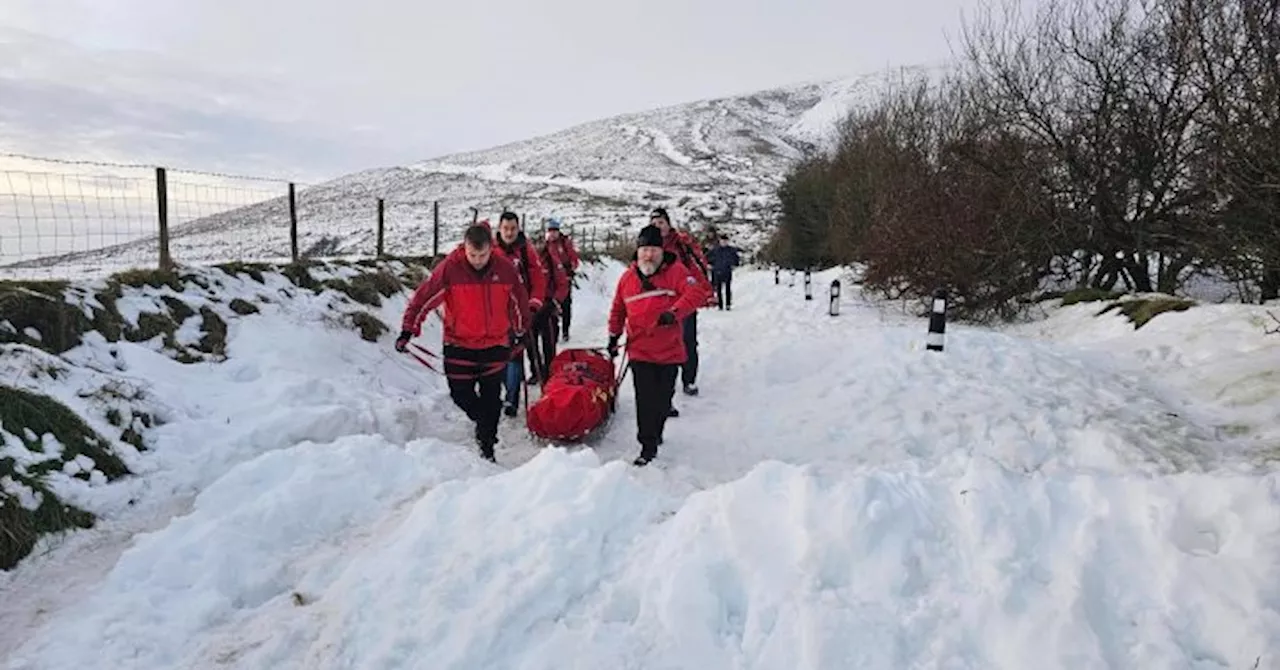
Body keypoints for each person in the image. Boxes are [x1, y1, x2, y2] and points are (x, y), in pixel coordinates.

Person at [396, 223, 532, 462]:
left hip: (495, 345)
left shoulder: (505, 268)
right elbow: (424, 297)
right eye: (472, 255)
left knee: (491, 399)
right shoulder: (450, 268)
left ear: (491, 248)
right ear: (464, 248)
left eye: (482, 255)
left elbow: (518, 301)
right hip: (459, 345)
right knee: (461, 396)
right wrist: (408, 329)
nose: (477, 260)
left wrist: (521, 330)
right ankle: (484, 423)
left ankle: (487, 446)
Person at [607, 224, 708, 466]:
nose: (648, 255)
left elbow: (697, 294)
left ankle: (657, 430)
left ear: (661, 251)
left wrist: (674, 313)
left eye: (653, 249)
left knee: (663, 400)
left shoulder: (677, 272)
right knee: (645, 398)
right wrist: (613, 336)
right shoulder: (627, 279)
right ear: (637, 251)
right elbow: (618, 310)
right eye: (644, 250)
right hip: (639, 349)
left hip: (669, 351)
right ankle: (647, 445)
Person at [648, 207, 712, 397]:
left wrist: (703, 291)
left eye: (661, 223)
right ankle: (664, 384)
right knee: (662, 344)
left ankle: (688, 379)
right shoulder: (649, 246)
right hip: (659, 301)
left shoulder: (682, 244)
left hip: (684, 300)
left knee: (687, 341)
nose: (658, 227)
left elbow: (697, 267)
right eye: (654, 224)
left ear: (668, 224)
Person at [493, 211, 548, 416]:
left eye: (513, 229)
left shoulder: (526, 250)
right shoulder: (490, 249)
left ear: (518, 229)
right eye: (506, 228)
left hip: (520, 313)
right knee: (498, 356)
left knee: (515, 355)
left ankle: (511, 400)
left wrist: (534, 303)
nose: (509, 232)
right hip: (495, 314)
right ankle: (506, 391)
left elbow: (538, 278)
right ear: (499, 229)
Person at [542, 218, 580, 340]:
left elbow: (574, 259)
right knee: (552, 306)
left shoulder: (565, 243)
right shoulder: (545, 245)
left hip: (565, 279)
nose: (552, 233)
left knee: (566, 305)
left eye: (554, 230)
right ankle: (554, 332)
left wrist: (569, 271)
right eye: (550, 231)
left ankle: (565, 330)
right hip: (551, 281)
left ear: (558, 231)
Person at [706, 235, 742, 310]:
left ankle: (728, 304)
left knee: (727, 288)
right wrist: (709, 265)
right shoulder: (715, 250)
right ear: (720, 241)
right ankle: (720, 305)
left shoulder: (731, 250)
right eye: (722, 241)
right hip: (717, 271)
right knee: (718, 289)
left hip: (727, 271)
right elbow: (707, 257)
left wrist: (735, 264)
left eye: (725, 241)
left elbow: (736, 259)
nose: (724, 243)